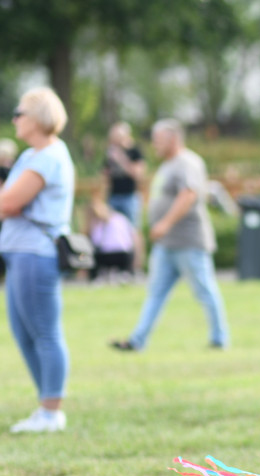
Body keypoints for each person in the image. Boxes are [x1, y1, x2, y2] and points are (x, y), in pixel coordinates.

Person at [0, 86, 75, 433]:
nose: (15, 118)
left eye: (20, 112)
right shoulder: (31, 156)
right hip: (19, 251)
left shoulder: (48, 157)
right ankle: (45, 405)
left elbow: (8, 203)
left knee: (44, 331)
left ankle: (50, 410)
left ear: (40, 117)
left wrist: (0, 199)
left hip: (35, 253)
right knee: (23, 332)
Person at [110, 119, 229, 352]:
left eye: (158, 140)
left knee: (205, 290)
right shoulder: (168, 165)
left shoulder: (187, 163)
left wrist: (165, 223)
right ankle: (137, 341)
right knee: (154, 294)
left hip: (188, 241)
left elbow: (189, 194)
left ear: (173, 139)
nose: (154, 145)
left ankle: (219, 339)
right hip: (167, 245)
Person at [84, 196, 138, 283]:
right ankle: (126, 274)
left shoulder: (96, 223)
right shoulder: (121, 218)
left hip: (105, 256)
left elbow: (95, 242)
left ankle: (95, 277)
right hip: (124, 255)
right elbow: (132, 238)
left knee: (92, 252)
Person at [103, 121, 145, 227]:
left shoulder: (134, 151)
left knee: (133, 229)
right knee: (115, 228)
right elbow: (104, 173)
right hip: (113, 196)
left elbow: (137, 174)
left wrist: (120, 159)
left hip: (129, 196)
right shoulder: (111, 152)